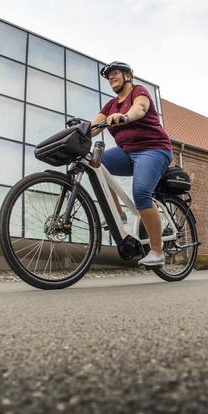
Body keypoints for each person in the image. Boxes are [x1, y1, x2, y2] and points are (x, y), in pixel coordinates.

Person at [90, 61, 173, 267]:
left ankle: (157, 251)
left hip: (154, 149)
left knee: (141, 192)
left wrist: (125, 116)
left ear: (128, 75)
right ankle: (117, 213)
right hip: (128, 152)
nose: (111, 78)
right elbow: (93, 127)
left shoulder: (139, 91)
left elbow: (140, 108)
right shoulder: (110, 105)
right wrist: (78, 133)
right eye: (108, 76)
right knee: (96, 163)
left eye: (115, 73)